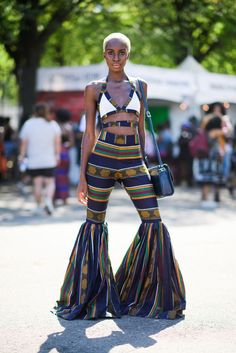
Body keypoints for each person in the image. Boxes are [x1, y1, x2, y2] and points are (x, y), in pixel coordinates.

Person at [53, 33, 186, 320]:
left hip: (133, 161)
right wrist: (81, 177)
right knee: (94, 224)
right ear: (104, 54)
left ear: (128, 54)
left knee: (153, 221)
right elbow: (89, 133)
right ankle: (88, 297)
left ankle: (150, 295)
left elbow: (141, 131)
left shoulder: (140, 86)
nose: (116, 57)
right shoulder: (93, 89)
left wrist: (144, 164)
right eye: (110, 52)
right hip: (101, 160)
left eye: (121, 52)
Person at [19, 103, 61, 214]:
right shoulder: (52, 124)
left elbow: (24, 143)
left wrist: (22, 155)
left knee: (37, 183)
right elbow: (57, 143)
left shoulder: (28, 124)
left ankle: (38, 205)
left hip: (34, 160)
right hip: (49, 159)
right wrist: (57, 155)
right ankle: (48, 200)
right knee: (50, 182)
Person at [54, 109, 74, 204]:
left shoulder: (55, 126)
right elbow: (72, 143)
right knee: (64, 176)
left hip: (55, 154)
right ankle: (64, 198)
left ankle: (54, 198)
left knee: (54, 176)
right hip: (65, 154)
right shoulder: (68, 127)